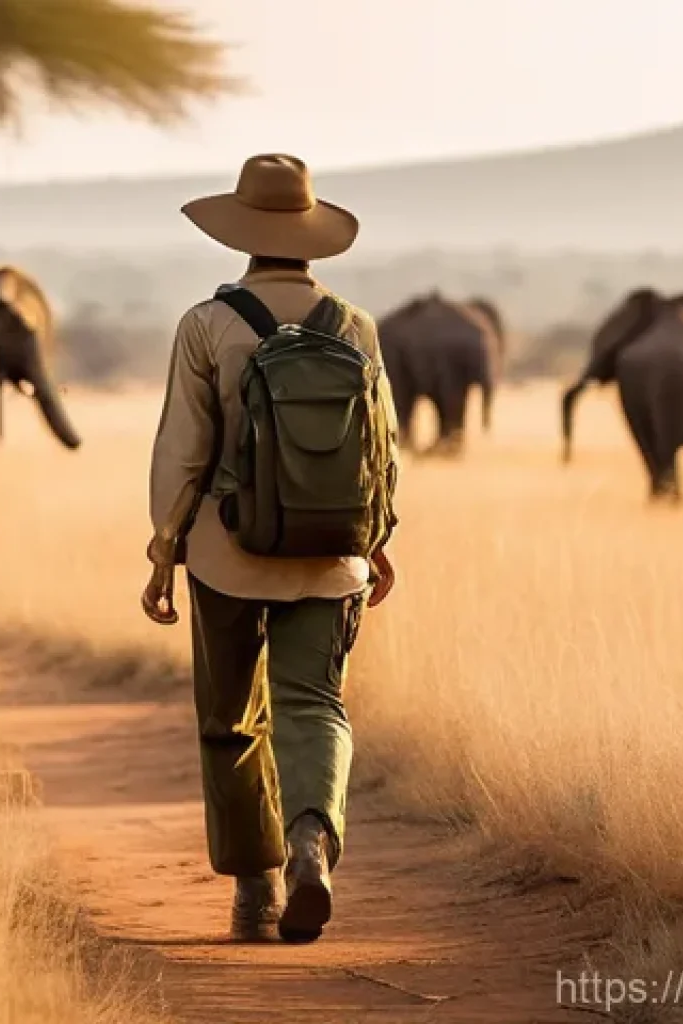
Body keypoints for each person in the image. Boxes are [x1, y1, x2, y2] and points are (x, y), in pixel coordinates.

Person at [142, 153, 400, 944]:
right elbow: (382, 449)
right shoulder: (355, 325)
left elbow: (184, 451)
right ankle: (310, 845)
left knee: (230, 717)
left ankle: (254, 890)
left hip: (227, 552)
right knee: (315, 705)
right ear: (312, 237)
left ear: (241, 236)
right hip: (332, 555)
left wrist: (163, 550)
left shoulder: (207, 324)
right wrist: (377, 540)